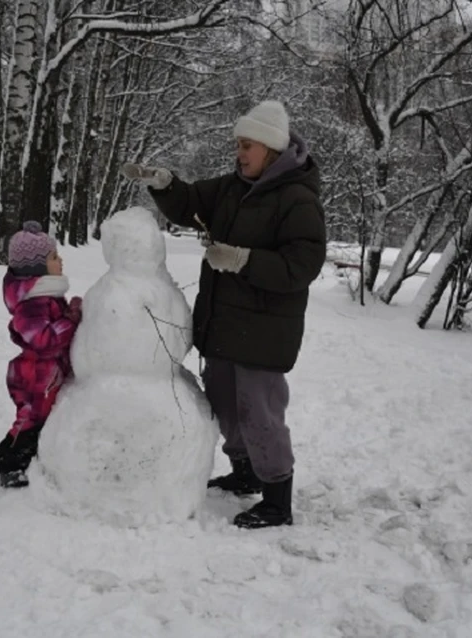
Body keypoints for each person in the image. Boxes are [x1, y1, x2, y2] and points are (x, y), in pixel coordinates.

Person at [121, 100, 326, 528]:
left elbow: (302, 265)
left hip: (264, 331)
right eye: (238, 144)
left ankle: (277, 497)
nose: (239, 153)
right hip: (225, 327)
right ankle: (245, 472)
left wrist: (242, 260)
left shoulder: (297, 198)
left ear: (270, 149)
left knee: (260, 414)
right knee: (226, 407)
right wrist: (165, 184)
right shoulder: (233, 187)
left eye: (246, 145)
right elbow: (192, 203)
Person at [0, 221, 82, 488]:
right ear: (37, 266)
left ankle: (32, 457)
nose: (61, 260)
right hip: (34, 375)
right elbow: (42, 340)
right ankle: (9, 463)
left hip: (46, 372)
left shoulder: (45, 294)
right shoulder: (33, 301)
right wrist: (72, 320)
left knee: (43, 419)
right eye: (54, 257)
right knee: (31, 421)